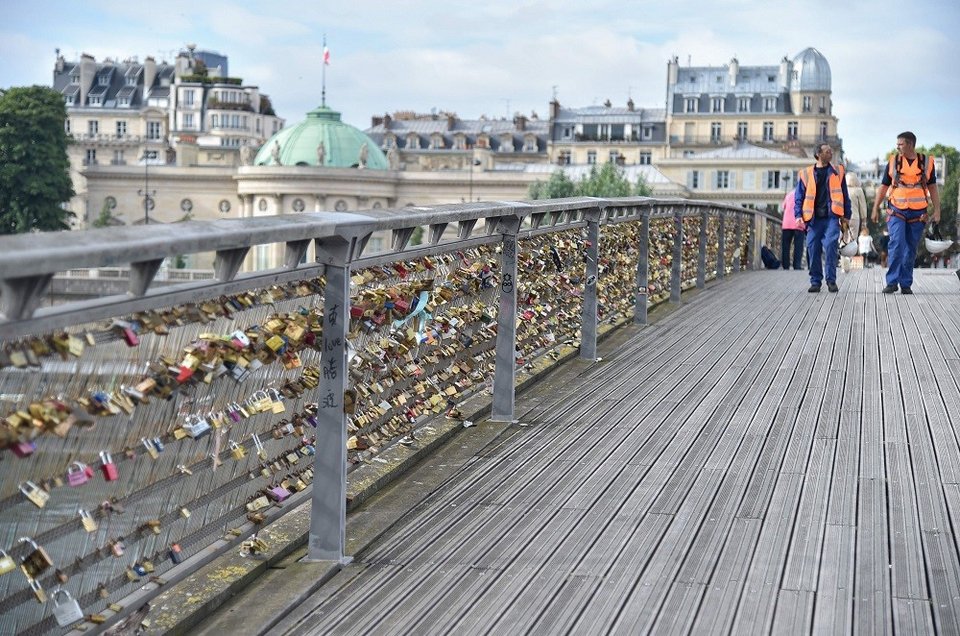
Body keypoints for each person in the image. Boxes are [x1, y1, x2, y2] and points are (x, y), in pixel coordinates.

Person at [871, 131, 941, 294]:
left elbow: (933, 188)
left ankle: (906, 283)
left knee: (910, 247)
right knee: (896, 243)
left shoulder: (926, 162)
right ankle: (892, 282)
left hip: (918, 213)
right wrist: (875, 207)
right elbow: (883, 187)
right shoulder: (894, 161)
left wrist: (937, 210)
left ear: (910, 144)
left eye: (900, 144)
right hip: (897, 210)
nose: (897, 147)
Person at [795, 143, 852, 293]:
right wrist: (798, 215)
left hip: (831, 217)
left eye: (831, 151)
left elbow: (845, 196)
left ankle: (831, 280)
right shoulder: (805, 173)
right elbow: (799, 197)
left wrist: (847, 215)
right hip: (813, 219)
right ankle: (815, 281)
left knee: (831, 245)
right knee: (813, 248)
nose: (831, 153)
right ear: (818, 154)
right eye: (827, 151)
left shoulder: (838, 171)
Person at [841, 172, 868, 272]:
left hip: (843, 218)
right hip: (855, 218)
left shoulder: (843, 190)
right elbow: (863, 207)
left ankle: (844, 264)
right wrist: (864, 221)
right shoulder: (858, 190)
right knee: (852, 241)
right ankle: (850, 262)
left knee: (843, 240)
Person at [780, 189, 805, 269]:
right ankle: (796, 266)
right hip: (798, 223)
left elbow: (783, 207)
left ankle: (785, 265)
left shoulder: (789, 195)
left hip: (786, 224)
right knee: (798, 246)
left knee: (786, 246)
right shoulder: (803, 195)